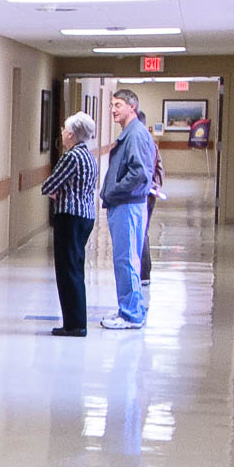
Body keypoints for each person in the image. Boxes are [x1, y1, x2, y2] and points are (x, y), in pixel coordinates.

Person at [99, 88, 155, 330]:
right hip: (124, 204)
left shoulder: (135, 135)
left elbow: (140, 173)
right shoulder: (129, 134)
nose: (113, 109)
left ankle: (131, 314)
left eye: (118, 105)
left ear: (132, 107)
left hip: (127, 204)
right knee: (125, 259)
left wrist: (115, 190)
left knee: (127, 260)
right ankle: (130, 308)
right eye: (112, 105)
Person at [40, 111, 98, 337]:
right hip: (85, 216)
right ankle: (76, 321)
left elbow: (49, 186)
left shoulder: (71, 157)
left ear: (72, 134)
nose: (62, 134)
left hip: (69, 217)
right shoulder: (89, 157)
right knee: (75, 268)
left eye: (65, 130)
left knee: (67, 271)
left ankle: (74, 325)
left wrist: (56, 191)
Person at [138, 110, 165, 285]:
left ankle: (143, 274)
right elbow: (160, 171)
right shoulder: (150, 143)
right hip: (149, 192)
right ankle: (143, 273)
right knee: (142, 232)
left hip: (144, 194)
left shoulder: (144, 143)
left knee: (141, 232)